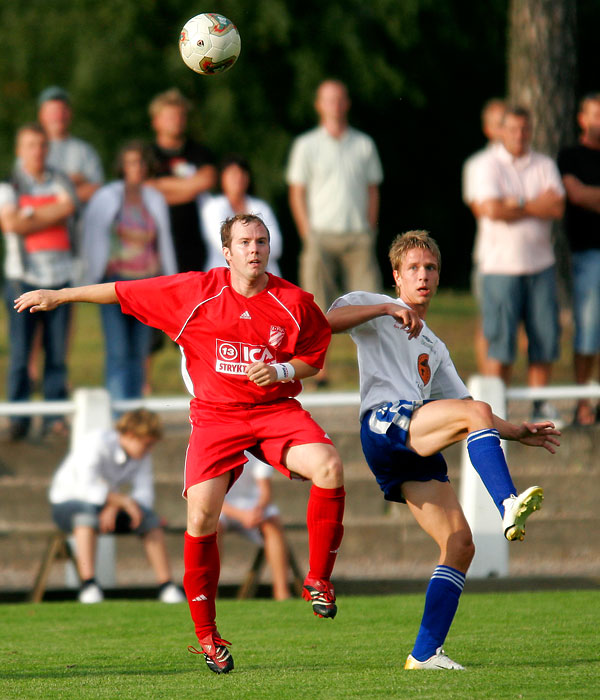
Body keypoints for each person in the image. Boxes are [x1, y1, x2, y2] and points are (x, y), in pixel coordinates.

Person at [14, 213, 346, 676]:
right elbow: (120, 291)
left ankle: (318, 580)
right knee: (200, 516)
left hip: (274, 412)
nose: (255, 249)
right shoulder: (194, 292)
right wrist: (60, 295)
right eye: (245, 242)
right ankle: (208, 636)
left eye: (262, 241)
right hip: (216, 416)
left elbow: (312, 357)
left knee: (329, 465)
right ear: (226, 252)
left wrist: (284, 370)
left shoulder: (294, 301)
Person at [327, 230, 560, 670]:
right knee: (475, 413)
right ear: (396, 276)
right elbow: (326, 321)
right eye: (413, 268)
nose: (423, 276)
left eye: (430, 268)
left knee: (460, 543)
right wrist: (385, 306)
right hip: (384, 422)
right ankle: (507, 503)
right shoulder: (376, 306)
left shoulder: (434, 346)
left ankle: (425, 653)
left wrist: (518, 432)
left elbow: (472, 411)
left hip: (411, 439)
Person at [472, 105, 566, 424]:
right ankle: (497, 409)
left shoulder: (544, 164)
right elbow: (493, 210)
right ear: (502, 130)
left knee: (544, 337)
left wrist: (518, 204)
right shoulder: (486, 165)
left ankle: (540, 404)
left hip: (540, 265)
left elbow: (557, 206)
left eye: (524, 129)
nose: (519, 135)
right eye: (512, 129)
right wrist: (533, 203)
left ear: (531, 130)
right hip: (500, 267)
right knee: (500, 340)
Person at [49, 408, 185, 604]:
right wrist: (121, 501)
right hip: (66, 502)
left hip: (106, 505)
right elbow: (86, 486)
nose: (149, 450)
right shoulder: (96, 442)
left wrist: (115, 506)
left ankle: (166, 586)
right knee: (86, 517)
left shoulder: (142, 455)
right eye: (147, 444)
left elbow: (145, 494)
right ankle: (89, 584)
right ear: (130, 435)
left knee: (149, 519)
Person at [81, 140, 177, 401]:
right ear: (122, 166)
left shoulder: (154, 199)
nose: (137, 167)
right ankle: (117, 411)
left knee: (140, 350)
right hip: (114, 283)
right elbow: (91, 236)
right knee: (118, 349)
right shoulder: (107, 196)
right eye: (132, 162)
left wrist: (170, 279)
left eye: (141, 162)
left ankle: (133, 411)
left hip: (146, 284)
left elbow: (163, 241)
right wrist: (91, 277)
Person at [0, 123, 77, 440]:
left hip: (59, 280)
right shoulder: (10, 184)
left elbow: (70, 207)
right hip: (23, 279)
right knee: (20, 354)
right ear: (20, 150)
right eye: (31, 145)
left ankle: (54, 418)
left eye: (42, 145)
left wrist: (31, 213)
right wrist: (51, 211)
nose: (38, 151)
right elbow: (11, 223)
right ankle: (18, 420)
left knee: (56, 354)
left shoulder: (60, 179)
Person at [286, 79, 383, 312]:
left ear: (347, 104)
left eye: (340, 100)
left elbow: (373, 191)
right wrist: (307, 233)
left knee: (371, 308)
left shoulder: (364, 144)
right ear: (319, 105)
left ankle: (370, 351)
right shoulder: (306, 145)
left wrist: (370, 230)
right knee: (316, 310)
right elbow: (297, 192)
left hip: (358, 236)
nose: (335, 105)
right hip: (320, 236)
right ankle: (317, 350)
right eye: (330, 100)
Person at [557, 93, 600, 426]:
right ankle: (583, 403)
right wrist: (586, 195)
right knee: (588, 330)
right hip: (588, 254)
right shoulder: (570, 156)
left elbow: (588, 195)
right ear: (582, 119)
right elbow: (575, 194)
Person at [146, 88, 217, 273]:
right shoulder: (147, 155)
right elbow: (146, 190)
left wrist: (164, 186)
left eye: (180, 116)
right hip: (155, 237)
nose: (176, 121)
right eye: (170, 116)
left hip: (195, 236)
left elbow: (207, 180)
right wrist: (191, 188)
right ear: (156, 121)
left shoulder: (199, 151)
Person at [461, 98, 506, 374]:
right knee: (490, 324)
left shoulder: (535, 161)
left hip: (530, 259)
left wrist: (509, 204)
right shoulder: (477, 165)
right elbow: (484, 208)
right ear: (488, 129)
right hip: (491, 257)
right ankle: (491, 385)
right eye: (501, 123)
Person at [218, 452, 291, 600]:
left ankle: (282, 592)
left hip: (253, 506)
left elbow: (265, 492)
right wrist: (241, 515)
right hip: (221, 508)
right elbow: (210, 498)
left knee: (273, 524)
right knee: (212, 528)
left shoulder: (256, 450)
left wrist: (256, 511)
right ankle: (210, 594)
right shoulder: (216, 450)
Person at [200, 154, 283, 274]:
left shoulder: (261, 207)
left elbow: (276, 245)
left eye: (242, 174)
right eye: (233, 174)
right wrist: (258, 247)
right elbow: (221, 243)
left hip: (263, 274)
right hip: (224, 274)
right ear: (222, 177)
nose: (238, 178)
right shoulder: (213, 207)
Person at [37, 85, 104, 211]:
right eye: (52, 112)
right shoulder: (30, 150)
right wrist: (75, 181)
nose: (58, 116)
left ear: (69, 114)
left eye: (62, 111)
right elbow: (26, 193)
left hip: (79, 227)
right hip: (42, 228)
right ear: (42, 115)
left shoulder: (85, 150)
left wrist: (52, 195)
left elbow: (97, 190)